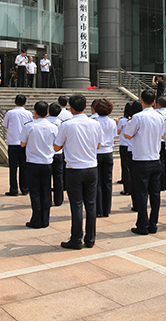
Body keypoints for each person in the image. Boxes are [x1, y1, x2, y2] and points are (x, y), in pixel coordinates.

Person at [54, 94, 101, 250]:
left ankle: (76, 239)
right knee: (91, 205)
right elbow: (98, 145)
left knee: (76, 205)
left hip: (74, 168)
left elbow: (56, 147)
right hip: (91, 167)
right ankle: (90, 238)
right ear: (86, 107)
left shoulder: (66, 125)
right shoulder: (95, 124)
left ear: (71, 108)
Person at [125, 89, 164, 235]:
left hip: (141, 159)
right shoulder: (160, 116)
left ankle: (142, 225)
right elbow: (163, 134)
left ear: (141, 100)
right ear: (154, 101)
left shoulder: (138, 117)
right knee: (155, 194)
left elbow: (128, 135)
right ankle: (153, 224)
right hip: (155, 158)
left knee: (142, 194)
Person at [20, 101, 58, 229]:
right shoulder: (53, 126)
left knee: (35, 191)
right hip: (47, 162)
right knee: (46, 190)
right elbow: (56, 144)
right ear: (47, 112)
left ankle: (36, 219)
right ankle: (45, 219)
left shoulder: (29, 126)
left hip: (33, 163)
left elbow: (22, 143)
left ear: (35, 112)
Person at [2, 94, 33, 196]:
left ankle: (14, 189)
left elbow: (4, 125)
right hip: (24, 143)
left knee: (13, 167)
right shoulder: (28, 113)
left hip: (13, 142)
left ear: (15, 102)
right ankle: (25, 188)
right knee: (24, 167)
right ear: (25, 103)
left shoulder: (10, 113)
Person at [93, 98, 117, 218]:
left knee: (97, 181)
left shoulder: (94, 121)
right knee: (107, 181)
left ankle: (98, 209)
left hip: (97, 152)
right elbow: (114, 135)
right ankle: (107, 209)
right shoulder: (112, 122)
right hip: (108, 152)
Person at [47, 102, 64, 206]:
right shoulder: (61, 123)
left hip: (47, 153)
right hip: (58, 153)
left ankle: (48, 199)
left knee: (47, 178)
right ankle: (58, 200)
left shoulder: (45, 122)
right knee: (58, 178)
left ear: (48, 111)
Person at [155, 97, 166, 192]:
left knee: (161, 162)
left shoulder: (158, 114)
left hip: (160, 140)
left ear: (158, 104)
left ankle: (161, 183)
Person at [117, 103, 133, 195]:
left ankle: (127, 188)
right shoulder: (134, 120)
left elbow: (118, 132)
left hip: (123, 145)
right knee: (130, 167)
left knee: (125, 167)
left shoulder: (123, 120)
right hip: (131, 145)